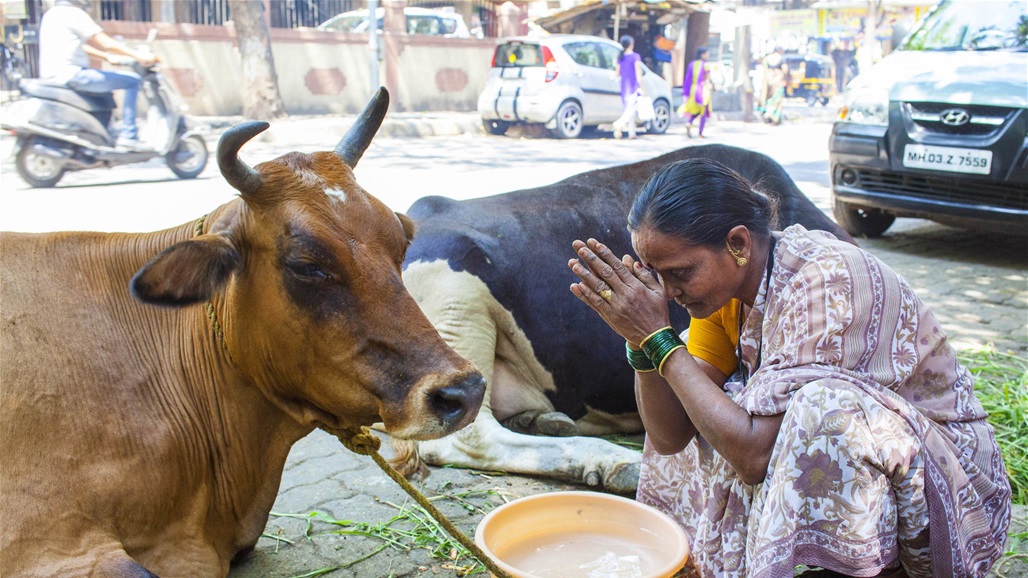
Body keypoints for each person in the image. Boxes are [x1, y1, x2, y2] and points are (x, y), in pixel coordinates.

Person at [567, 158, 1010, 577]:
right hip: (888, 475)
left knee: (821, 409)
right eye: (655, 275)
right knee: (692, 388)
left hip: (952, 491)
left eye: (680, 273)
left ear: (738, 244)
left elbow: (753, 456)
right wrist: (641, 343)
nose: (667, 292)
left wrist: (659, 340)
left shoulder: (828, 281)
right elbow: (670, 438)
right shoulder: (724, 298)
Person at [38, 0, 156, 149]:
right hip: (72, 74)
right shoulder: (73, 14)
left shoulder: (52, 14)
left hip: (55, 76)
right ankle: (129, 135)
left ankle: (107, 132)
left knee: (106, 89)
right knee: (132, 81)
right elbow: (105, 42)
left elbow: (81, 47)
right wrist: (138, 56)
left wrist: (106, 57)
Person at [612, 35, 644, 140]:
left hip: (624, 87)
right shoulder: (635, 57)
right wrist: (642, 86)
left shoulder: (620, 57)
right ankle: (618, 124)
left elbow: (618, 73)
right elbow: (638, 72)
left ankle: (632, 133)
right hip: (633, 86)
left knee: (630, 110)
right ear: (631, 44)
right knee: (631, 110)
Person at [679, 47, 713, 138]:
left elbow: (688, 78)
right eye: (707, 53)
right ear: (702, 54)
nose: (708, 55)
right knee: (703, 111)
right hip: (702, 90)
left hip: (693, 89)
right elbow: (708, 78)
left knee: (697, 110)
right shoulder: (705, 65)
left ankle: (689, 123)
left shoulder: (692, 64)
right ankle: (700, 133)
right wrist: (713, 86)